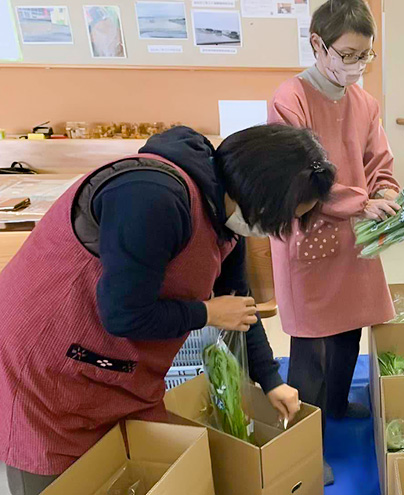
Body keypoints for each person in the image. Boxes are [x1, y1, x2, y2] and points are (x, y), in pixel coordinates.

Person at [0, 124, 336, 495]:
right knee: (66, 480)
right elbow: (123, 314)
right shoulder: (152, 196)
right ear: (260, 192)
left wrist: (271, 381)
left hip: (117, 371)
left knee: (139, 469)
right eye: (284, 216)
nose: (280, 229)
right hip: (45, 369)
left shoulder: (225, 219)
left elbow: (240, 307)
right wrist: (206, 313)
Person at [267, 0, 400, 484]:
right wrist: (358, 201)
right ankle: (304, 446)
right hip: (309, 235)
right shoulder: (291, 97)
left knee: (349, 332)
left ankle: (340, 405)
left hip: (354, 235)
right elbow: (299, 175)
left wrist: (385, 192)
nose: (357, 66)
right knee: (311, 351)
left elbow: (379, 161)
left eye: (366, 55)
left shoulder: (365, 102)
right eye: (347, 54)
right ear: (318, 44)